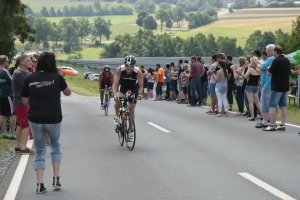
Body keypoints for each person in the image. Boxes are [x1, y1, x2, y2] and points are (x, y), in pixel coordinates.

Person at [21, 52, 71, 194]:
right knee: (55, 146)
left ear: (39, 63)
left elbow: (24, 101)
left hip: (36, 118)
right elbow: (68, 93)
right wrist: (60, 76)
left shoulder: (30, 78)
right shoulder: (56, 78)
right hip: (53, 118)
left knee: (40, 150)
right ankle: (56, 178)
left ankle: (40, 184)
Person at [113, 55, 143, 140]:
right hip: (122, 86)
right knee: (118, 99)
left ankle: (130, 130)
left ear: (134, 66)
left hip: (132, 87)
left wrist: (140, 94)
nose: (128, 68)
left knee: (131, 108)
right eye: (127, 66)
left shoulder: (138, 72)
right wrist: (115, 95)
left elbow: (140, 86)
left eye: (131, 66)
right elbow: (115, 84)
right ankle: (116, 116)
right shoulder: (120, 69)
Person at [264, 46, 290, 131]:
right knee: (283, 105)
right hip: (285, 85)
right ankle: (282, 124)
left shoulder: (276, 60)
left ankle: (272, 125)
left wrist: (268, 68)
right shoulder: (287, 60)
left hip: (277, 86)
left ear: (275, 52)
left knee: (272, 105)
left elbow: (269, 73)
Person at [12, 55, 35, 155]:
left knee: (20, 124)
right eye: (29, 61)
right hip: (21, 102)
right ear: (22, 62)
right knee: (26, 124)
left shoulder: (25, 72)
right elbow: (29, 86)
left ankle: (18, 146)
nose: (31, 62)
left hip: (22, 102)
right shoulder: (19, 73)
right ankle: (23, 147)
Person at [236, 57, 262, 121]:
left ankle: (252, 116)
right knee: (257, 102)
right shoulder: (259, 70)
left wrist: (240, 73)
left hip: (249, 85)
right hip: (256, 85)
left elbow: (245, 77)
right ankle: (263, 114)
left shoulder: (250, 69)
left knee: (250, 102)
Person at [0, 55, 17, 135]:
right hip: (8, 94)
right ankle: (12, 132)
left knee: (3, 114)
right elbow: (12, 81)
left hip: (1, 94)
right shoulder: (4, 71)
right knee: (13, 113)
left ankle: (3, 132)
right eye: (8, 61)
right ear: (5, 62)